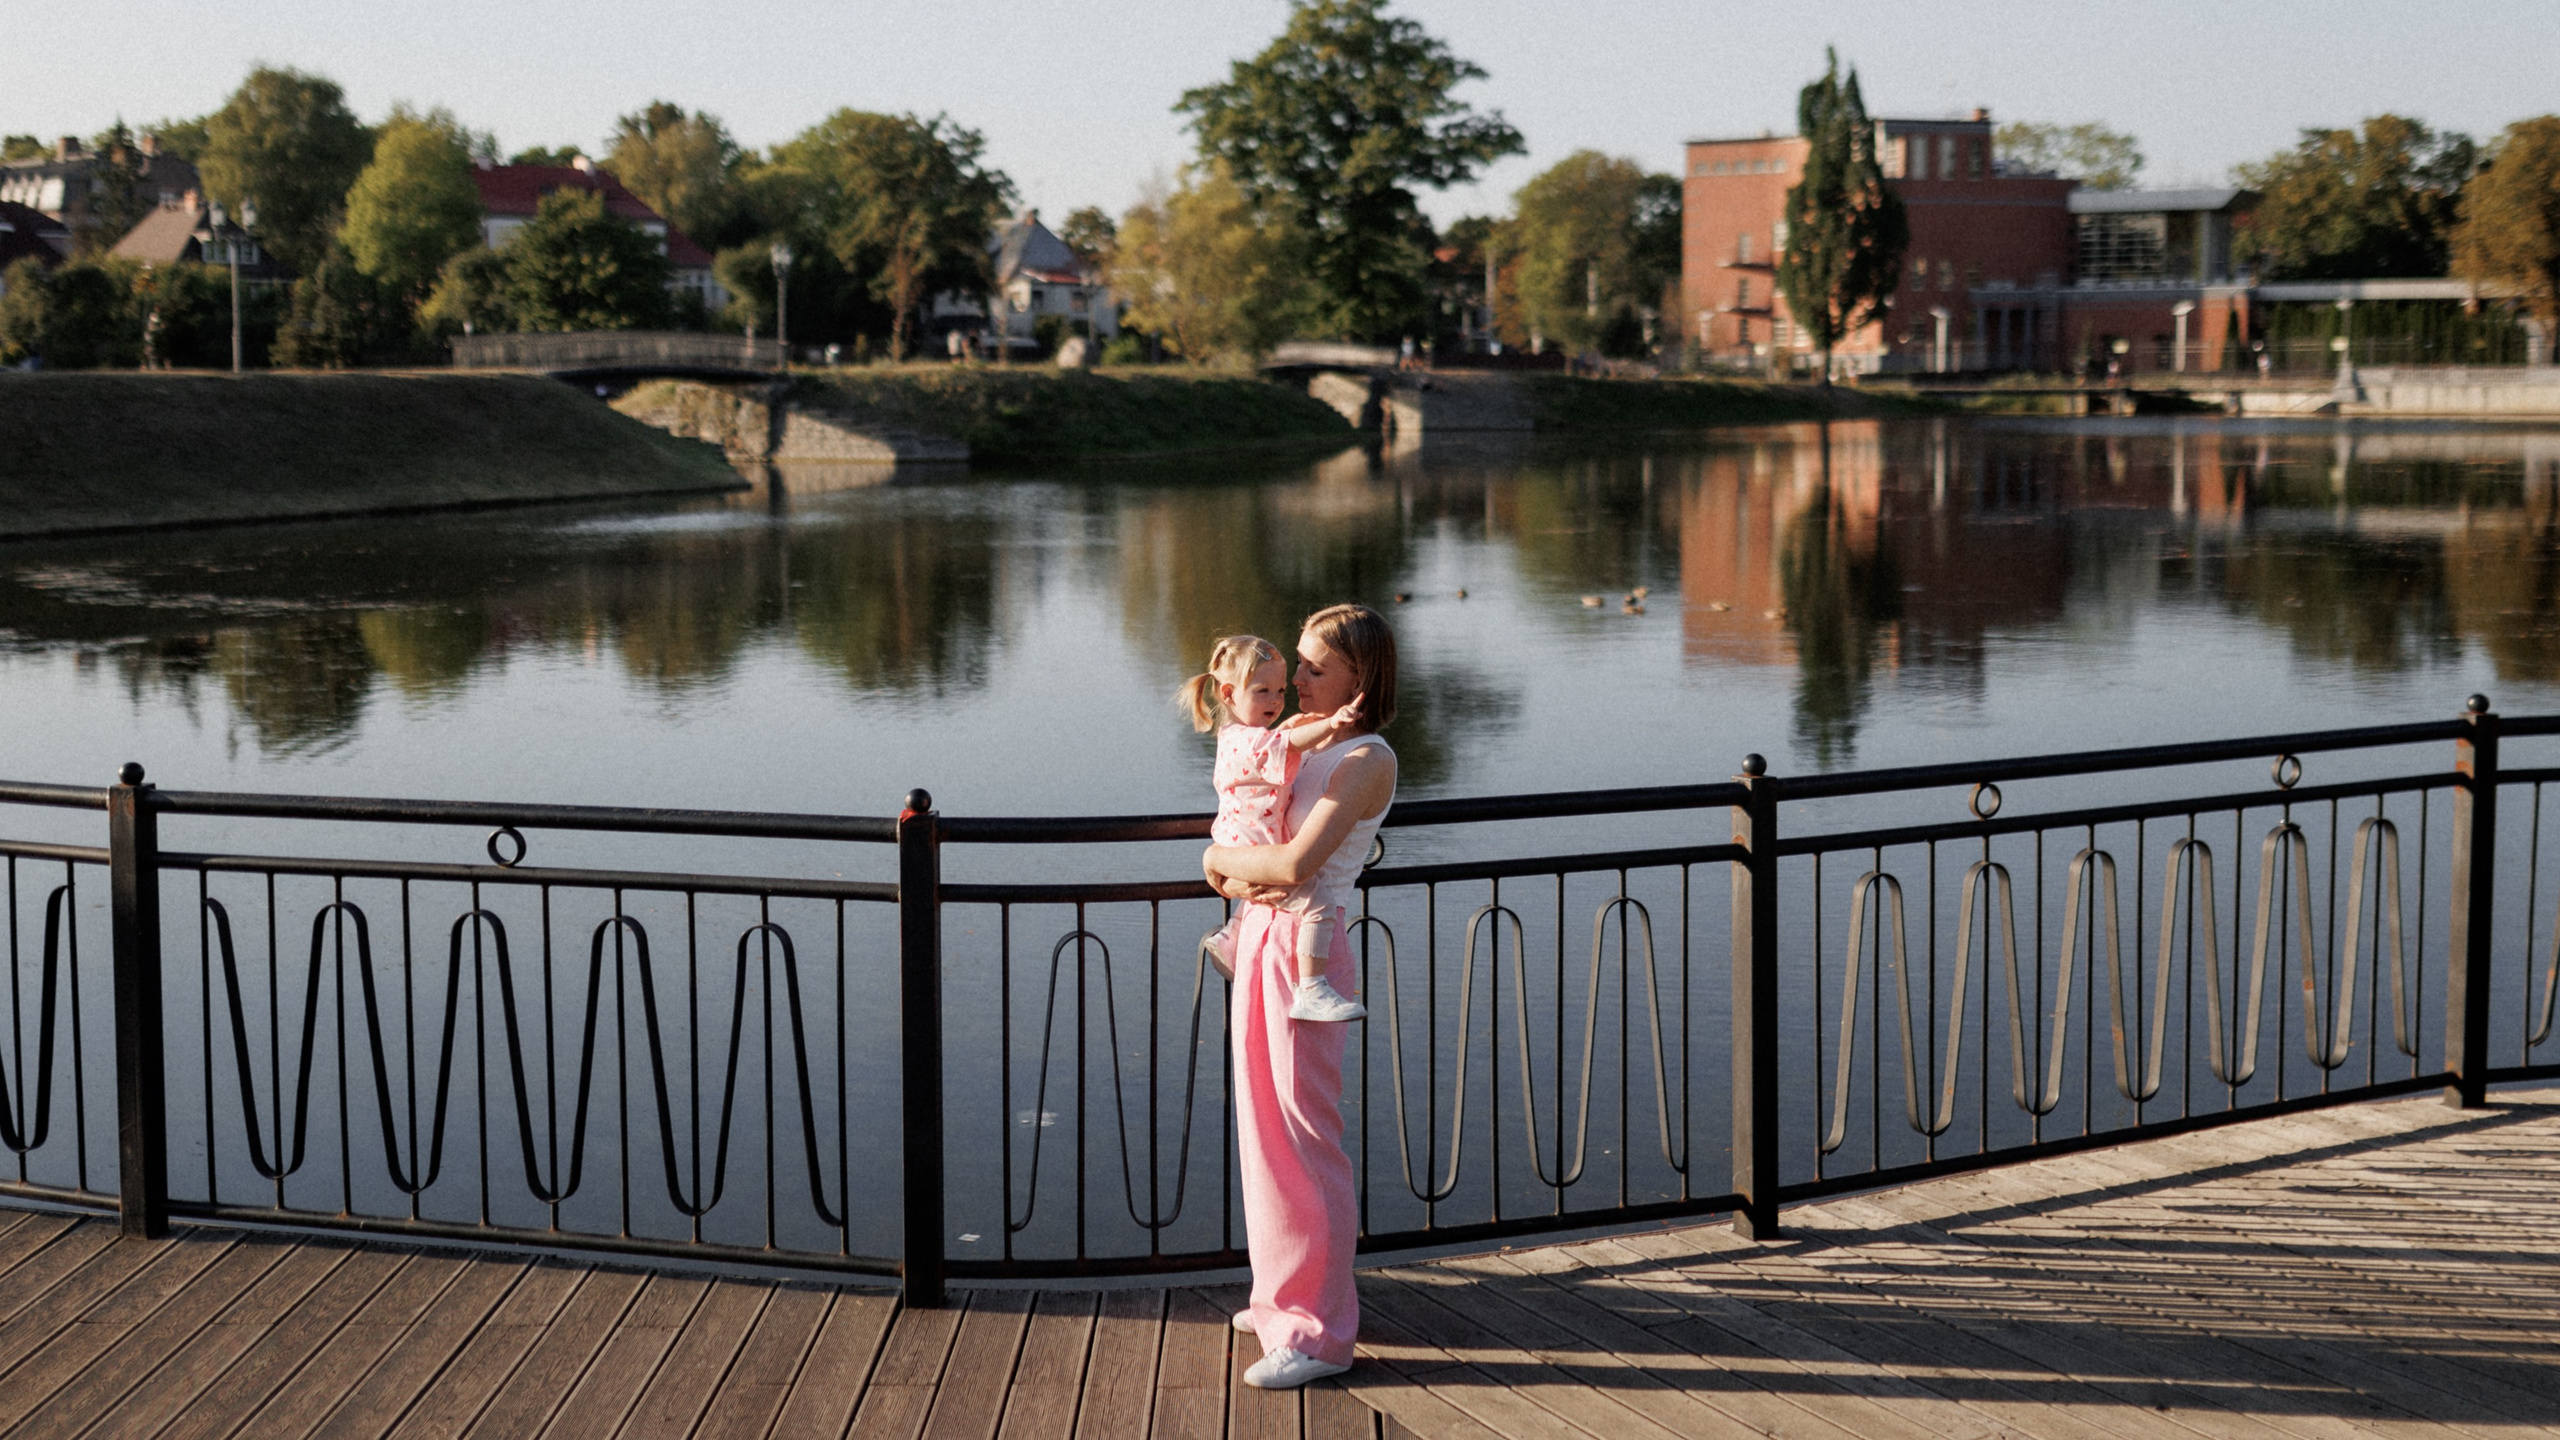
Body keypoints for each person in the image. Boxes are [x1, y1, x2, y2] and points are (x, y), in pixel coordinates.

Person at [1202, 603, 1399, 1390]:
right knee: (1263, 1128)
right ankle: (1281, 1295)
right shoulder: (1300, 749)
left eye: (1317, 667)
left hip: (1304, 951)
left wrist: (1212, 859)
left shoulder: (1364, 760)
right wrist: (1229, 868)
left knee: (1304, 1136)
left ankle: (1318, 1332)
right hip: (1260, 937)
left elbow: (1286, 867)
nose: (1299, 679)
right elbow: (1252, 813)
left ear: (1361, 675)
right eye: (1301, 665)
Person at [1176, 634, 1367, 1020]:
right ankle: (1312, 988)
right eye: (1263, 691)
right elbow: (1288, 744)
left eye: (1280, 690)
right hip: (1252, 846)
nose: (1277, 700)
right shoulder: (1248, 742)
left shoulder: (1239, 736)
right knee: (1318, 903)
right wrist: (1331, 722)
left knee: (1261, 891)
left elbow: (1286, 734)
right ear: (1228, 694)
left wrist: (1310, 722)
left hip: (1243, 841)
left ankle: (1231, 935)